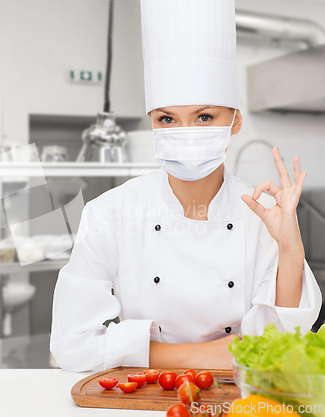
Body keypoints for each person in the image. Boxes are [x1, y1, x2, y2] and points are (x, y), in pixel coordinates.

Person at [49, 0, 322, 372]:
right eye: (167, 119)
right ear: (151, 122)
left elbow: (284, 338)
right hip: (144, 397)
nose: (186, 133)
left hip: (234, 398)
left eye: (204, 116)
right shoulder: (109, 212)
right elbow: (71, 344)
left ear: (235, 121)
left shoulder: (261, 216)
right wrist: (200, 356)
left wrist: (290, 247)